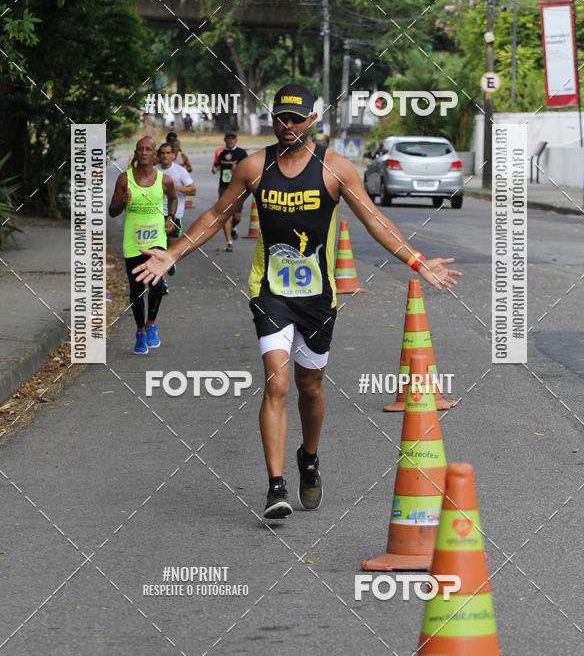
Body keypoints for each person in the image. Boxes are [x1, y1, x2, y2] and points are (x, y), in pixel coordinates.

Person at [132, 83, 461, 518]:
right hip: (270, 293)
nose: (287, 126)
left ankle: (309, 457)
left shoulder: (335, 169)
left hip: (318, 297)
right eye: (280, 118)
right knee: (278, 383)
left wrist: (418, 262)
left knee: (310, 387)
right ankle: (275, 486)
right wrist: (172, 253)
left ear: (312, 121)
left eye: (296, 118)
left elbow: (375, 220)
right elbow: (216, 214)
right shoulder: (254, 166)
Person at [109, 136, 177, 354]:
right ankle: (140, 331)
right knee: (136, 291)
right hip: (133, 244)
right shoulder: (124, 179)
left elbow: (173, 198)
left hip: (157, 240)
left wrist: (170, 217)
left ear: (154, 154)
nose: (145, 152)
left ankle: (151, 324)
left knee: (156, 285)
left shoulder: (164, 180)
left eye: (149, 149)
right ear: (136, 153)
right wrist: (122, 202)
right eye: (141, 149)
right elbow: (112, 211)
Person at [157, 141, 196, 279]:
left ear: (173, 155)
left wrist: (174, 187)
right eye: (162, 153)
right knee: (158, 249)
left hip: (175, 215)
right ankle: (162, 282)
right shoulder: (154, 170)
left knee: (169, 250)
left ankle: (171, 262)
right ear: (158, 155)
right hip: (155, 215)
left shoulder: (180, 171)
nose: (165, 156)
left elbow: (193, 190)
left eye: (168, 153)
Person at [211, 131, 248, 251]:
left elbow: (247, 170)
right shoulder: (220, 152)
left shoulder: (241, 153)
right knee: (224, 215)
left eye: (233, 138)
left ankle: (233, 228)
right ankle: (229, 242)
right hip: (224, 188)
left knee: (237, 217)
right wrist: (215, 168)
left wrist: (238, 169)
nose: (230, 140)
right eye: (228, 138)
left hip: (237, 188)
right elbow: (216, 164)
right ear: (225, 140)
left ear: (236, 140)